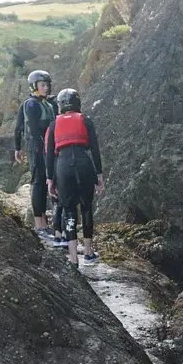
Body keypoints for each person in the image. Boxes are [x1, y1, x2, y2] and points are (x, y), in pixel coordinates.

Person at [44, 88, 105, 266]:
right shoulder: (85, 120)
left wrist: (50, 179)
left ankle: (73, 259)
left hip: (63, 166)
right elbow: (94, 149)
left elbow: (49, 155)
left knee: (69, 210)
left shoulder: (54, 124)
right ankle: (88, 253)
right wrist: (99, 175)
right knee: (86, 208)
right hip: (83, 163)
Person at [13, 69, 58, 239]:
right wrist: (19, 148)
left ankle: (49, 224)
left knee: (49, 182)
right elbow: (23, 128)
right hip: (37, 147)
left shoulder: (48, 104)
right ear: (34, 86)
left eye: (47, 85)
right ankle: (40, 225)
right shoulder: (30, 104)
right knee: (38, 182)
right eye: (42, 85)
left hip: (48, 146)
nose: (46, 88)